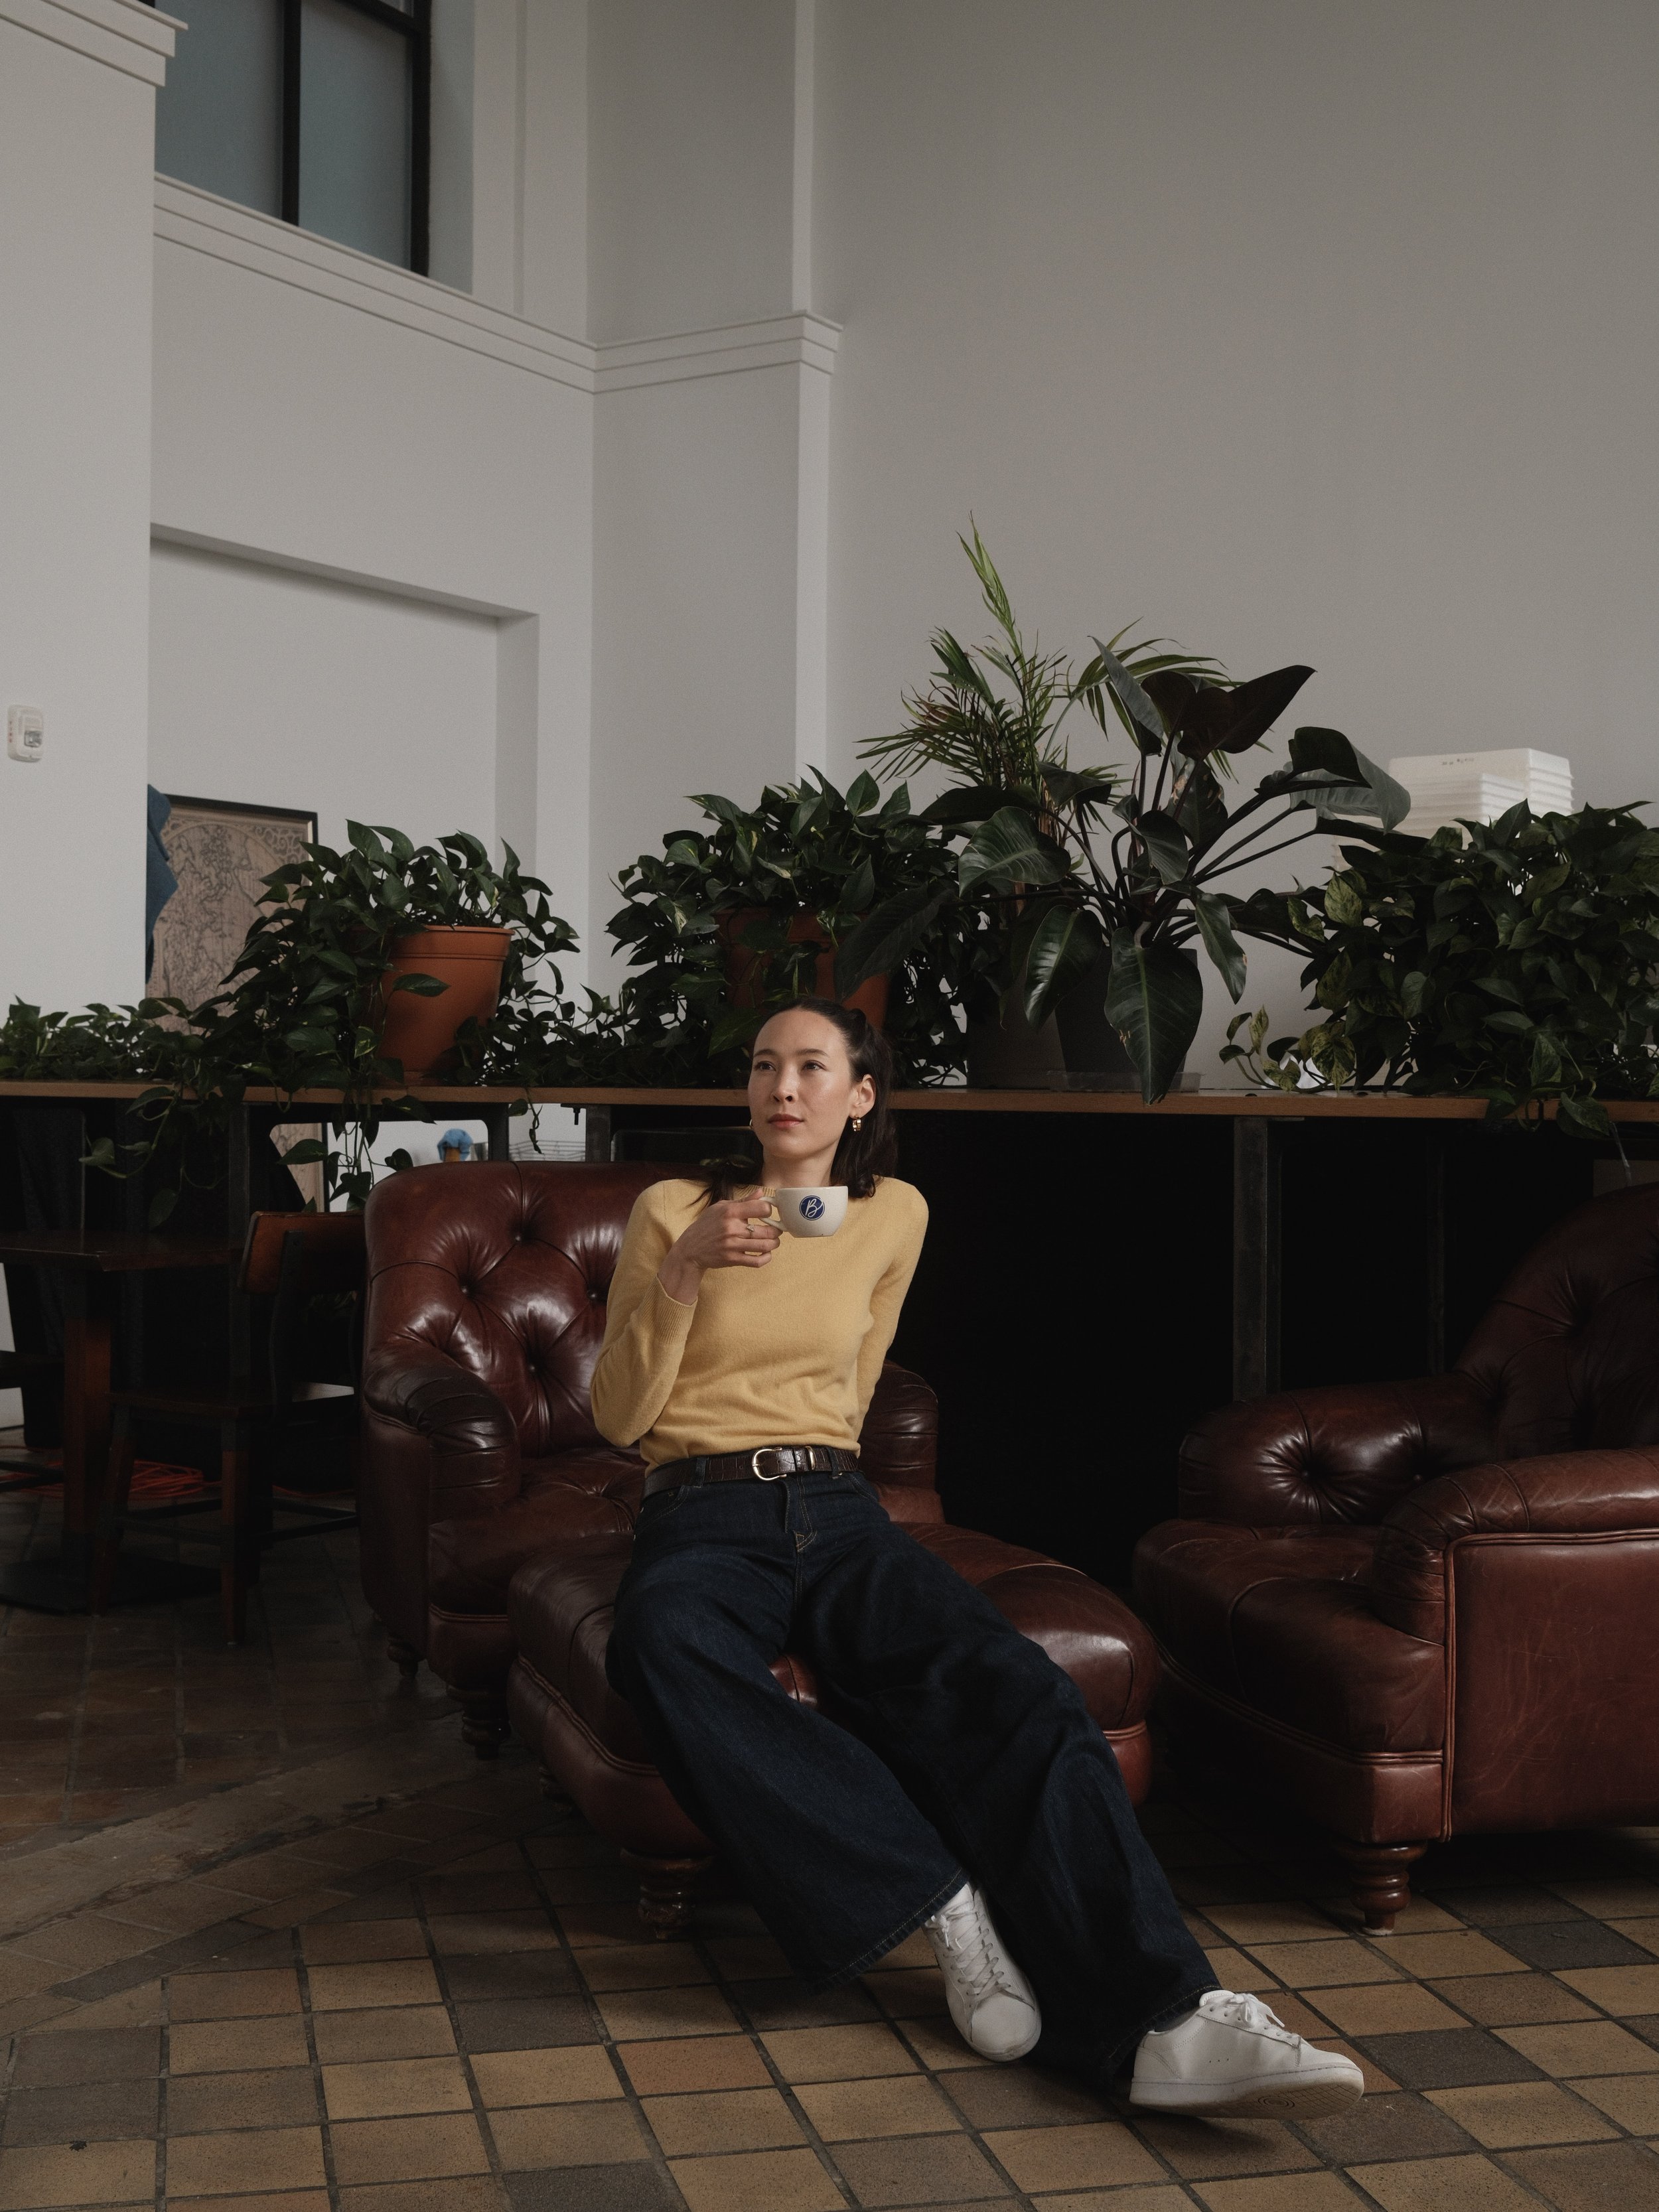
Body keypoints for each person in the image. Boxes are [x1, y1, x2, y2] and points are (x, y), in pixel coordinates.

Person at [592, 999, 1362, 2116]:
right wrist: (686, 1272)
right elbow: (620, 1415)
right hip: (698, 1509)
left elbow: (855, 1388)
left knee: (1021, 1690)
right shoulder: (673, 1207)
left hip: (836, 1506)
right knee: (659, 1641)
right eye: (764, 1065)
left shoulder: (894, 1211)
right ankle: (938, 1895)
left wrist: (824, 1480)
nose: (782, 1086)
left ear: (860, 1094)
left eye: (812, 1066)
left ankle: (1166, 2022)